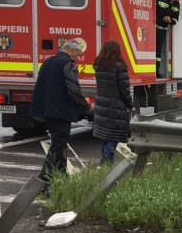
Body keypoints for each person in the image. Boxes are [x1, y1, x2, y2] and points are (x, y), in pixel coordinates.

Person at [29, 37, 92, 193]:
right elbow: (73, 89)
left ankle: (62, 178)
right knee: (58, 145)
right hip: (61, 111)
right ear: (72, 51)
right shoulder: (67, 64)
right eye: (77, 55)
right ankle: (43, 180)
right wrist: (85, 106)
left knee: (60, 143)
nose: (77, 58)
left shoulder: (49, 61)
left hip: (47, 110)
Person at [92, 40, 134, 164]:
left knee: (105, 136)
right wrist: (130, 105)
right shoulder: (119, 67)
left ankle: (104, 162)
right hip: (115, 107)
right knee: (113, 137)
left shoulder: (99, 65)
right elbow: (124, 89)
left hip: (102, 105)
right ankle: (106, 162)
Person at [156, 0, 182, 78]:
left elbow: (176, 19)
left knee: (158, 51)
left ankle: (156, 72)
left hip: (162, 29)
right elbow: (155, 9)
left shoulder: (177, 5)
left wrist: (170, 21)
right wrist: (163, 16)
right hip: (153, 27)